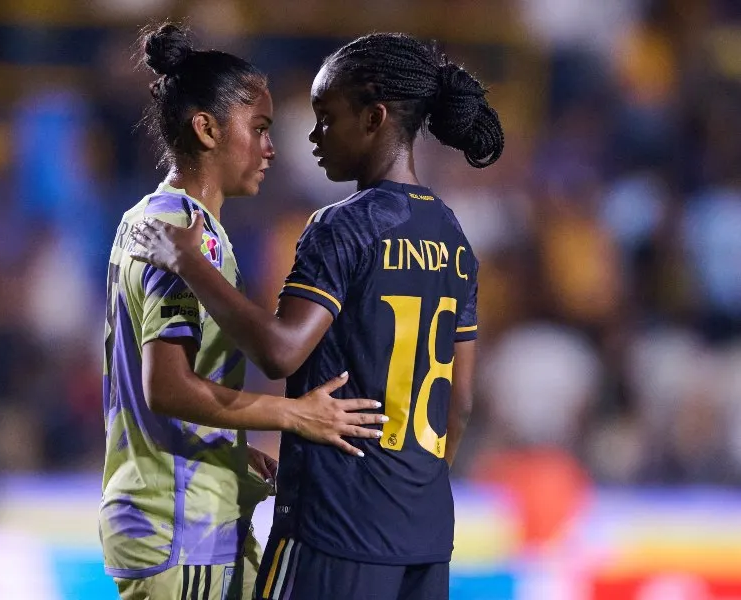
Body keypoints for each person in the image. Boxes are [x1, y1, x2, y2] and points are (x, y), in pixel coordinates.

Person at [129, 32, 505, 599]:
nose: (311, 135)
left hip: (333, 533)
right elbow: (462, 402)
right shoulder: (454, 236)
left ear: (374, 117)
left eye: (326, 117)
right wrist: (409, 491)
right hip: (425, 540)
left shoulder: (344, 225)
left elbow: (281, 350)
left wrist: (186, 260)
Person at [101, 24, 385, 600]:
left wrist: (233, 449)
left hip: (181, 513)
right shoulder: (184, 233)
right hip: (182, 526)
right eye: (258, 129)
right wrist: (295, 415)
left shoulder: (153, 219)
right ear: (206, 129)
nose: (270, 148)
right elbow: (167, 386)